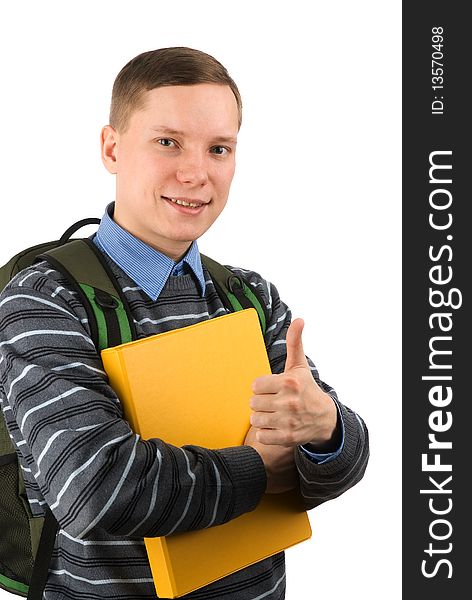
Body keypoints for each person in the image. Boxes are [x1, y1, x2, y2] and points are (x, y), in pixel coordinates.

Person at [0, 47, 369, 599]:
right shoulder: (44, 299)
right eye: (168, 141)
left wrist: (326, 429)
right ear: (112, 147)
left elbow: (333, 471)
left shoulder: (249, 296)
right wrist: (260, 471)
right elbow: (95, 489)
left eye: (218, 148)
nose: (196, 173)